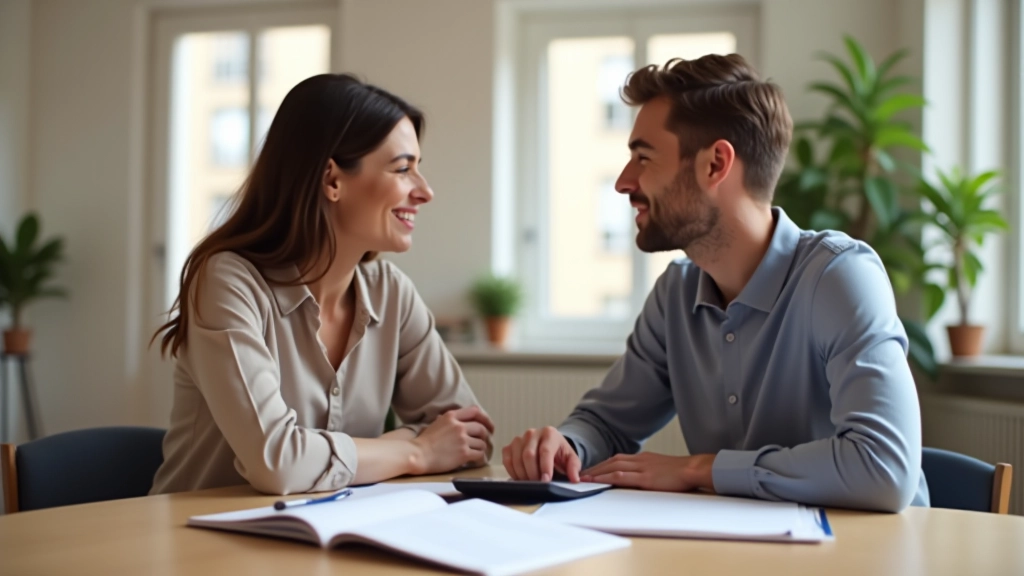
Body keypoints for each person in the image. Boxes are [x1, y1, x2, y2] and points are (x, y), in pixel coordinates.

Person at [502, 54, 928, 512]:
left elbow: (884, 469)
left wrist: (697, 469)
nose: (624, 183)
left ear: (715, 164)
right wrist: (566, 444)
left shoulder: (838, 278)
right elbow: (606, 424)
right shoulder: (676, 293)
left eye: (643, 157)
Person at [150, 74, 493, 496]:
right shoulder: (228, 282)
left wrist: (419, 446)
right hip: (198, 546)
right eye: (403, 169)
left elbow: (471, 439)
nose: (425, 192)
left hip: (327, 544)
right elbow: (278, 462)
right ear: (332, 180)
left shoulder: (392, 294)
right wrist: (416, 451)